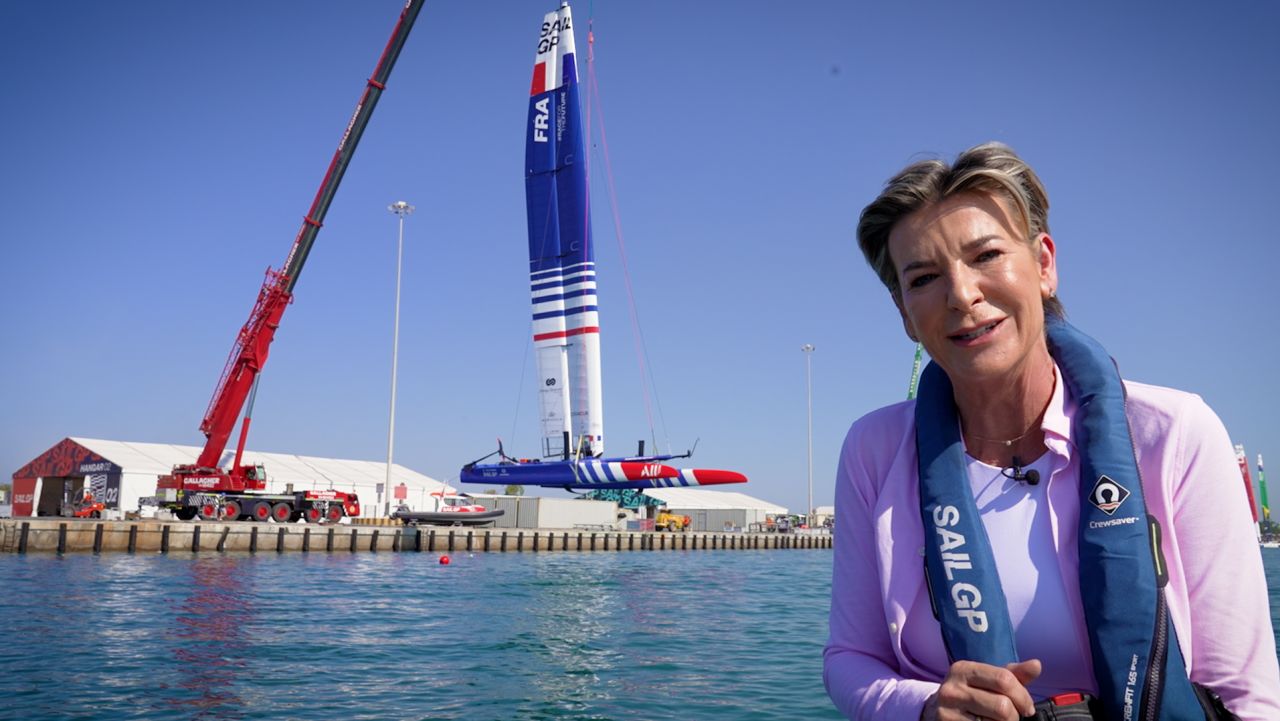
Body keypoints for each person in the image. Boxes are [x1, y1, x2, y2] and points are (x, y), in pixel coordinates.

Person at [824, 142, 1280, 721]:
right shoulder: (874, 451)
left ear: (1044, 264)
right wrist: (924, 705)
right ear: (904, 312)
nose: (962, 295)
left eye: (986, 255)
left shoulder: (1175, 434)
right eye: (924, 278)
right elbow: (850, 659)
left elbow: (1247, 694)